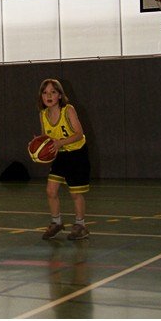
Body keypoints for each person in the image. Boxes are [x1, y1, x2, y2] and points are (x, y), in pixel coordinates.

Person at [37, 78, 91, 241]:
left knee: (75, 193)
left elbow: (79, 134)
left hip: (77, 154)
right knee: (50, 190)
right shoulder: (43, 114)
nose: (49, 96)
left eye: (53, 92)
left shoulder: (68, 110)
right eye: (45, 93)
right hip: (61, 155)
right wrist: (38, 145)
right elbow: (46, 138)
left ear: (60, 95)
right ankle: (56, 223)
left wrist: (60, 142)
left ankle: (81, 226)